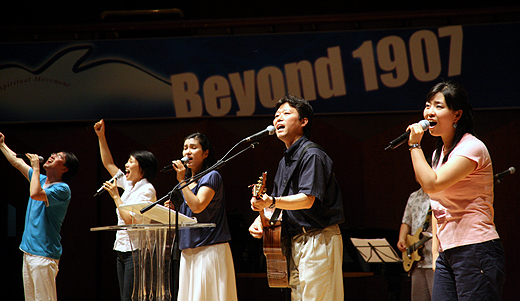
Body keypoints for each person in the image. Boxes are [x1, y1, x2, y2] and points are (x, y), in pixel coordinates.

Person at [406, 81, 505, 300]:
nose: (430, 112)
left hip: (475, 248)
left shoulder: (471, 147)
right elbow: (434, 198)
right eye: (427, 105)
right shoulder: (438, 153)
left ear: (457, 115)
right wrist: (434, 252)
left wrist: (414, 146)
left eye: (439, 106)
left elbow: (432, 183)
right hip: (446, 252)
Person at [248, 94, 345, 301]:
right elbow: (279, 204)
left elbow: (307, 199)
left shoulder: (312, 155)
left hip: (318, 238)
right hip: (296, 241)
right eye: (276, 115)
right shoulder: (285, 160)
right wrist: (261, 218)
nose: (278, 119)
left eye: (286, 113)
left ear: (303, 121)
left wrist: (271, 201)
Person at [0, 132, 79, 301]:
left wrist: (35, 167)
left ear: (65, 168)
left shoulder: (63, 189)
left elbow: (35, 193)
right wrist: (1, 145)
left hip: (44, 255)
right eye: (53, 154)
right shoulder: (41, 179)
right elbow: (17, 162)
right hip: (28, 252)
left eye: (58, 156)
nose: (52, 156)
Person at [164, 132, 237, 301]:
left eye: (193, 147)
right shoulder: (188, 183)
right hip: (189, 250)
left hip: (209, 249)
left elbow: (197, 206)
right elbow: (188, 215)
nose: (187, 152)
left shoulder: (212, 176)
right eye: (185, 148)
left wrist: (181, 181)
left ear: (206, 153)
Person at [94, 119, 158, 301]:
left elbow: (130, 221)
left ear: (142, 169)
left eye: (131, 162)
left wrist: (115, 196)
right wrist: (101, 136)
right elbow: (108, 163)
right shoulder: (130, 184)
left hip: (136, 251)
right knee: (124, 296)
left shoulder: (147, 189)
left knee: (130, 298)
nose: (126, 166)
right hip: (121, 249)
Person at [397, 188, 434, 301]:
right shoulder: (414, 196)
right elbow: (406, 221)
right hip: (416, 260)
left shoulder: (439, 194)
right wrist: (401, 239)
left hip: (434, 260)